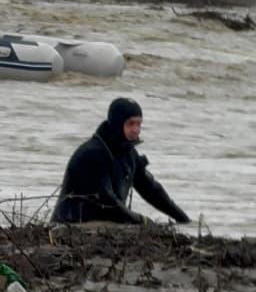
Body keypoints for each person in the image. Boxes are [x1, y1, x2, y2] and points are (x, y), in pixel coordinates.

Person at [52, 97, 191, 226]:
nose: (136, 130)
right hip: (71, 226)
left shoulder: (128, 153)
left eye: (139, 124)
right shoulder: (93, 154)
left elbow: (151, 190)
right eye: (131, 124)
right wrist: (143, 221)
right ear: (118, 124)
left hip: (105, 225)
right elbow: (108, 202)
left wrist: (183, 220)